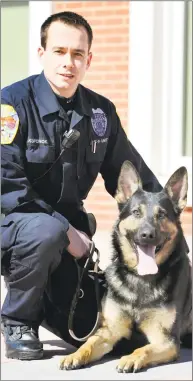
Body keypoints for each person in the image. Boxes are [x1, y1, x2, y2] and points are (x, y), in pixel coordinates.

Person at [1, 11, 186, 361]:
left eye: (77, 54)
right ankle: (17, 319)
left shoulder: (100, 113)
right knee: (44, 233)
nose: (68, 63)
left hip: (71, 240)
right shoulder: (11, 105)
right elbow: (8, 188)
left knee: (91, 330)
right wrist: (64, 229)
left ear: (89, 59)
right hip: (15, 226)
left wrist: (175, 238)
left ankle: (41, 302)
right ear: (41, 54)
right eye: (58, 52)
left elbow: (140, 181)